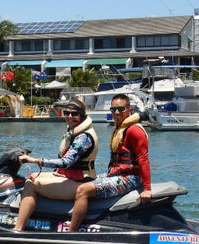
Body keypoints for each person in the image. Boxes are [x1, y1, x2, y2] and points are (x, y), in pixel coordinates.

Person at [67, 93, 151, 232]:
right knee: (83, 181)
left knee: (83, 190)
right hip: (117, 176)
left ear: (129, 110)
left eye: (121, 109)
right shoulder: (120, 129)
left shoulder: (134, 130)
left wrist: (147, 189)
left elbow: (143, 158)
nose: (116, 113)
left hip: (130, 178)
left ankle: (71, 233)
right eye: (113, 110)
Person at [12, 99, 98, 232]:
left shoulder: (83, 137)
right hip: (72, 176)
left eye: (74, 114)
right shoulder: (73, 132)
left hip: (80, 182)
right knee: (33, 176)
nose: (69, 116)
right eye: (67, 113)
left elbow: (66, 162)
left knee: (31, 184)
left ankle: (18, 229)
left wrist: (35, 160)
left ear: (82, 116)